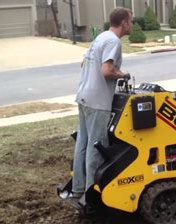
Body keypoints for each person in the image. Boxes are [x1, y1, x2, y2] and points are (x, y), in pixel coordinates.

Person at [70, 8, 133, 199]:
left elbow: (84, 63)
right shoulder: (113, 41)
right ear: (123, 22)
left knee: (82, 142)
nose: (132, 24)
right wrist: (123, 74)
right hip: (98, 101)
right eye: (131, 21)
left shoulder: (101, 37)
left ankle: (78, 188)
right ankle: (91, 195)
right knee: (96, 146)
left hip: (84, 96)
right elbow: (107, 70)